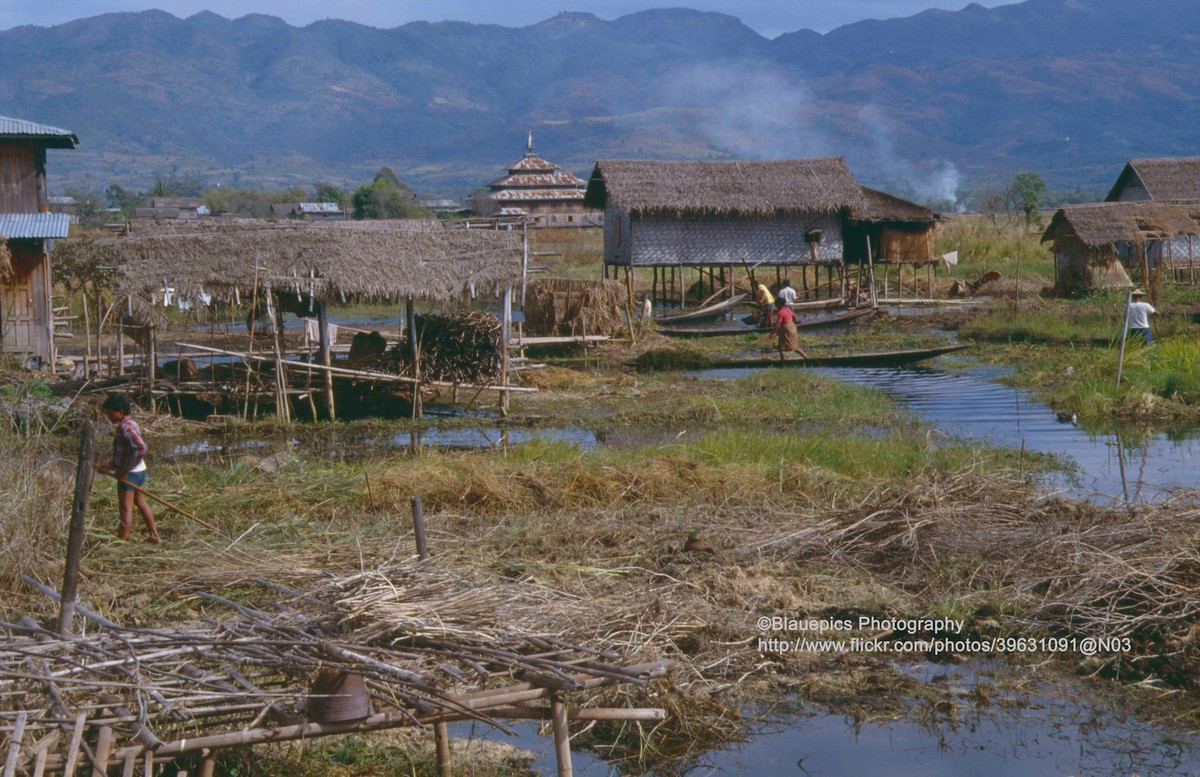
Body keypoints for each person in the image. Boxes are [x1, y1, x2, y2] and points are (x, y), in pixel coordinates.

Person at [96, 394, 161, 543]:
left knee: (125, 508)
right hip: (140, 470)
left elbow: (140, 448)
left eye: (110, 412)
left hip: (131, 473)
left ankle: (120, 543)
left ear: (120, 411)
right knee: (141, 502)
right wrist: (110, 465)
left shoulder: (125, 427)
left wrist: (124, 470)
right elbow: (125, 451)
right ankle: (154, 534)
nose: (108, 416)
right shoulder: (131, 423)